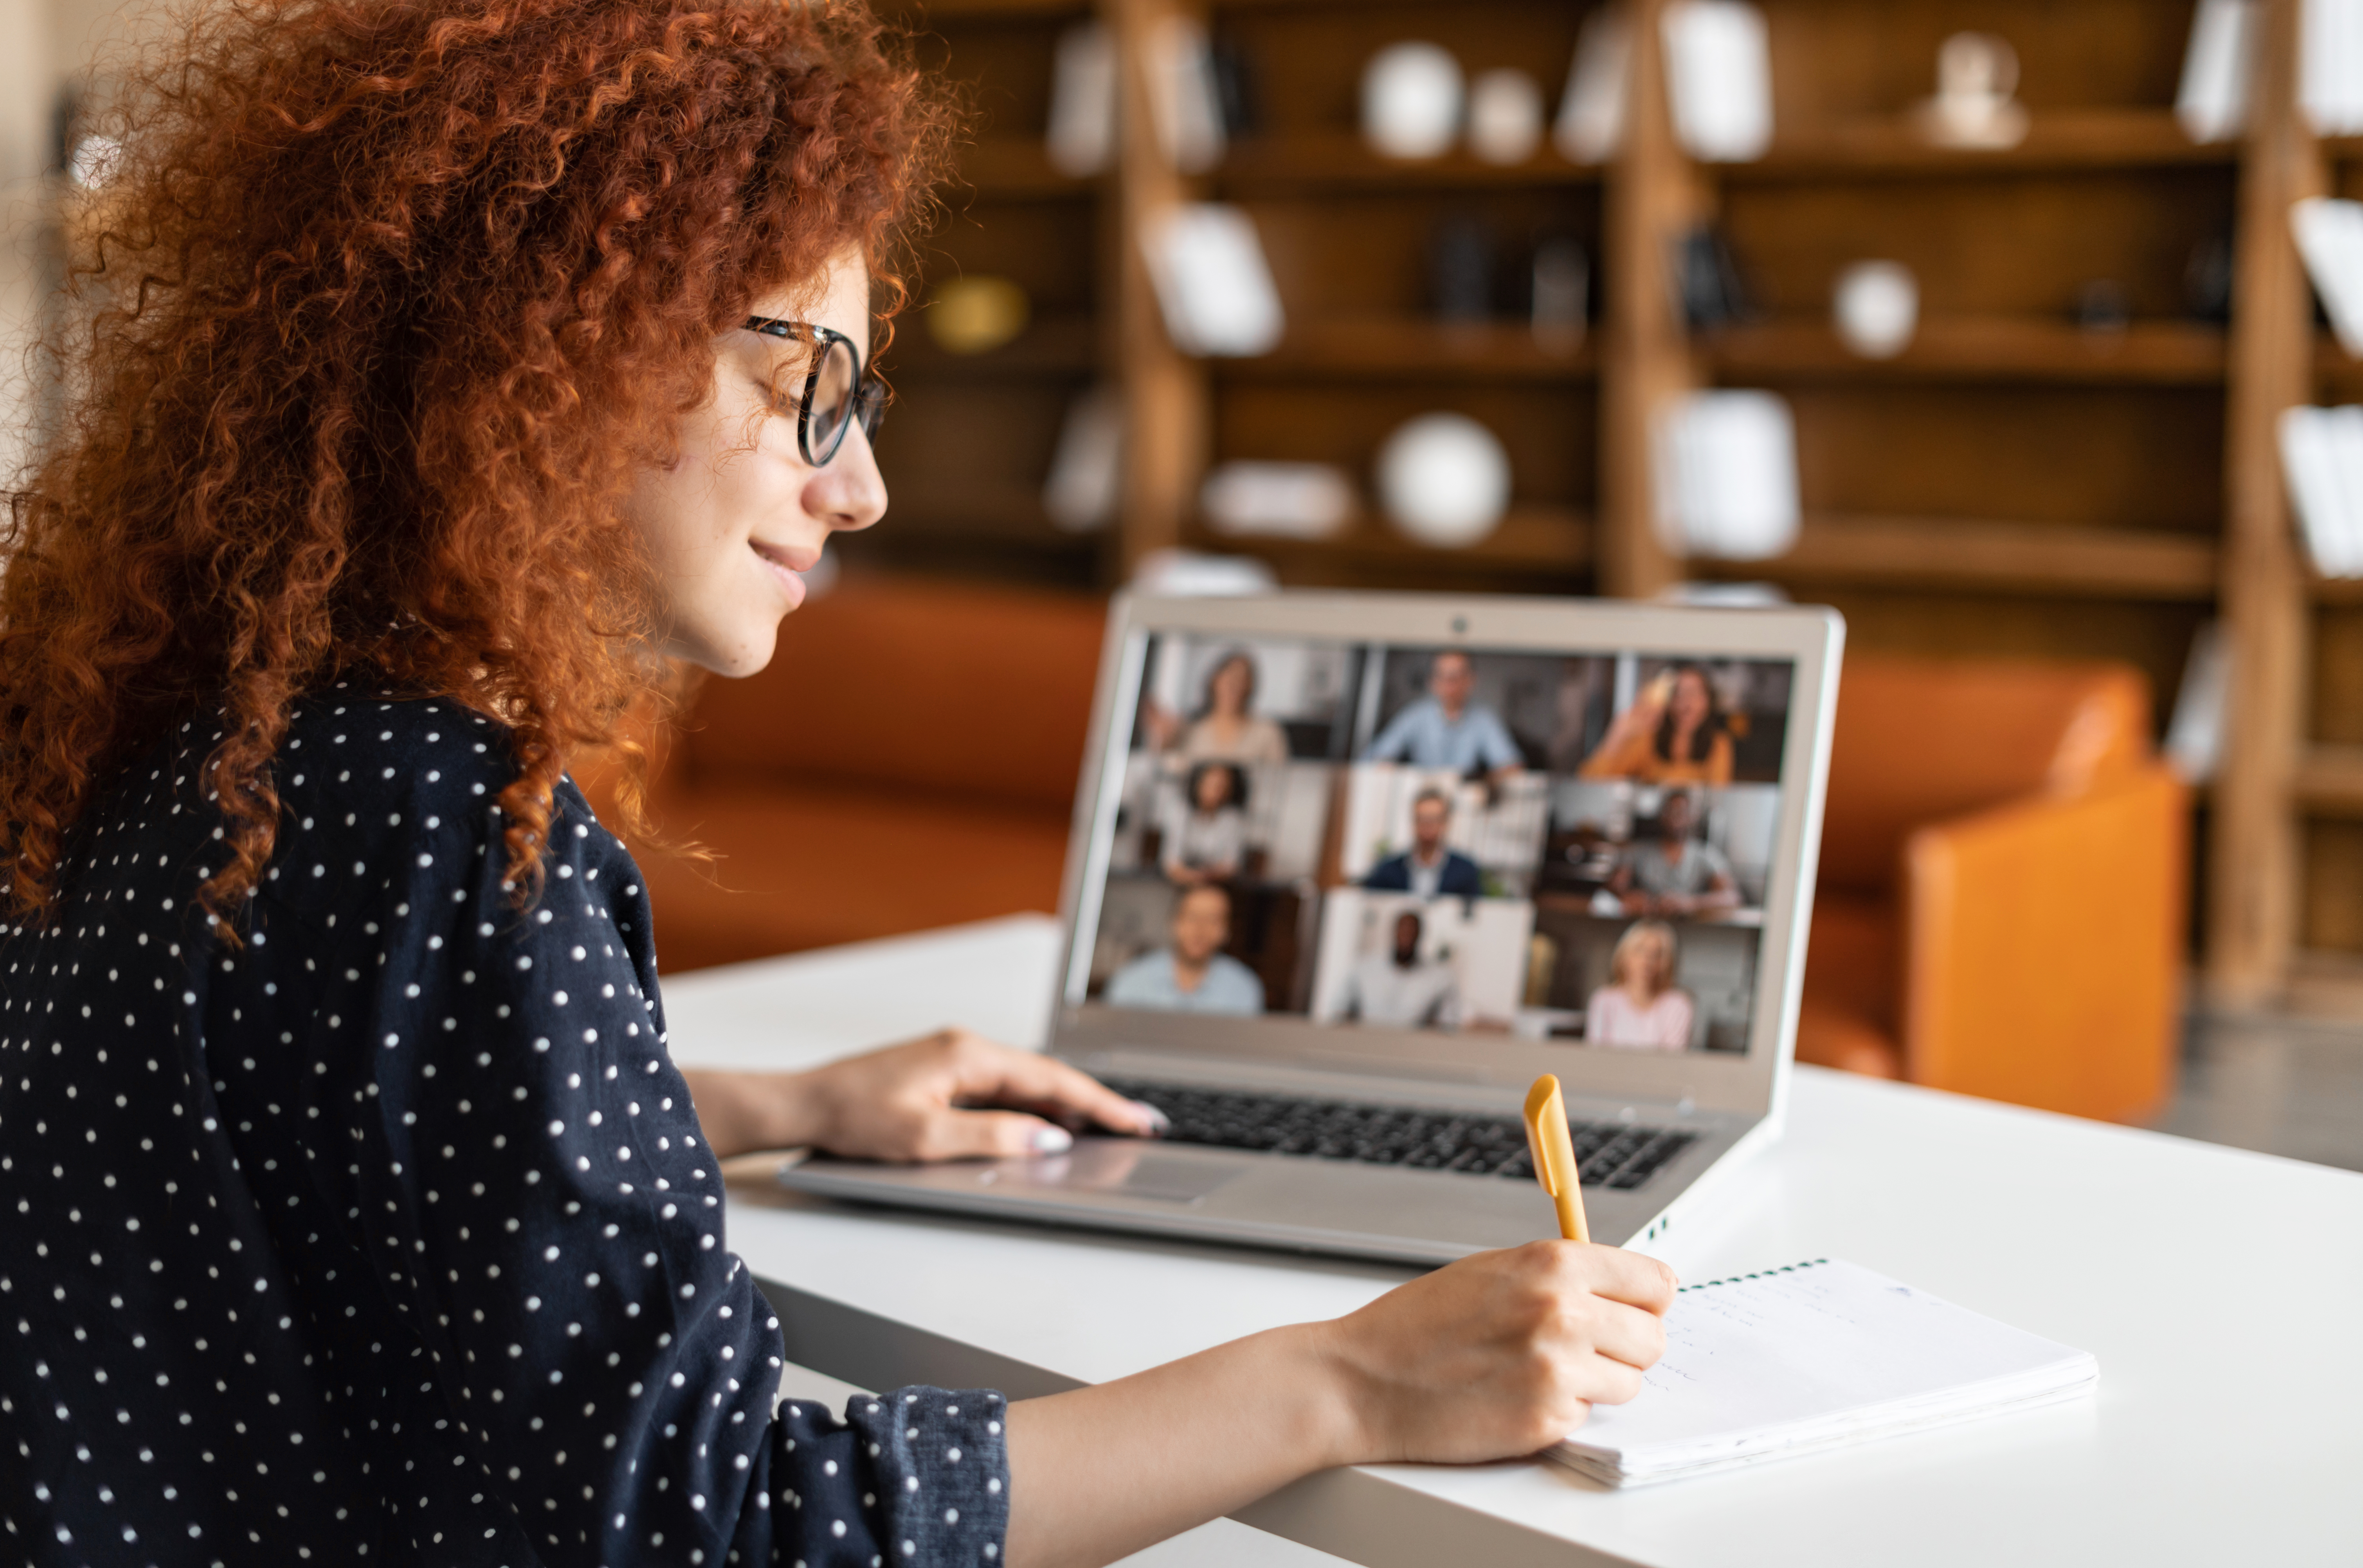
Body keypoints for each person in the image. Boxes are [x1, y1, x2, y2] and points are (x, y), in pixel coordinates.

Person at [0, 3, 1678, 1563]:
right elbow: (709, 1519)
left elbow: (319, 1135)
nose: (857, 485)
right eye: (800, 385)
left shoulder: (202, 727)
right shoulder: (444, 815)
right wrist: (1349, 1382)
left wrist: (772, 1108)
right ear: (561, 346)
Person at [1104, 884, 1267, 1015]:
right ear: (1173, 924)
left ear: (1226, 931)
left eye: (1213, 920)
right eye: (1192, 917)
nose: (1200, 929)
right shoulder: (1131, 981)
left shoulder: (1243, 989)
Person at [1362, 650, 1524, 778]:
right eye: (1443, 677)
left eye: (1456, 677)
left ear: (1471, 680)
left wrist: (1485, 781)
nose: (1450, 686)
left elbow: (1511, 767)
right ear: (1432, 682)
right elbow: (1376, 758)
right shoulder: (1415, 715)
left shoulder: (1484, 719)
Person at [1578, 662, 1736, 786]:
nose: (1686, 701)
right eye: (1678, 693)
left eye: (1694, 692)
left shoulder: (1719, 745)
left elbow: (1719, 797)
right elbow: (1590, 782)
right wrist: (1617, 733)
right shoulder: (1647, 742)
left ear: (1708, 701)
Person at [1609, 790, 1740, 919]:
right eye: (1670, 811)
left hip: (1690, 928)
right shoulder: (1638, 852)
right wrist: (1632, 898)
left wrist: (1691, 903)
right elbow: (1614, 889)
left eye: (1682, 812)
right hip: (1646, 924)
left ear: (1692, 817)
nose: (1675, 817)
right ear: (1661, 815)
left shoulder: (1706, 854)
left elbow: (1731, 897)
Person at [1336, 909, 1462, 1030]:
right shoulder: (1363, 969)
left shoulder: (1441, 978)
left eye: (1412, 931)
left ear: (1420, 934)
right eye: (1403, 930)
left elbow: (1448, 1025)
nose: (1407, 936)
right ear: (1394, 931)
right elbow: (1341, 1013)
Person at [1585, 921, 1697, 1051]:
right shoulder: (1603, 1000)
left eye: (1657, 955)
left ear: (1667, 963)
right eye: (1640, 951)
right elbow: (1594, 1054)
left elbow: (1674, 1061)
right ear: (1623, 957)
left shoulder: (1679, 1005)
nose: (1647, 962)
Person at [1170, 648, 1290, 764]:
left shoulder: (1268, 733)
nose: (1235, 686)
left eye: (1242, 680)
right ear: (1214, 681)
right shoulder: (1192, 731)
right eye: (1230, 679)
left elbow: (1277, 777)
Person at [1364, 786, 1485, 898]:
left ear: (1446, 823)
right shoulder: (1388, 870)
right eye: (1421, 820)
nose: (1427, 827)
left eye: (1434, 820)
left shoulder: (1465, 871)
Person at [1162, 761, 1249, 886]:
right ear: (1199, 784)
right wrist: (1195, 877)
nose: (1217, 792)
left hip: (1216, 885)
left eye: (1223, 787)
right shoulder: (1180, 812)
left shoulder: (1232, 819)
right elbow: (1171, 864)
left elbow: (1231, 866)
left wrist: (1209, 875)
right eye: (1213, 785)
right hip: (1178, 883)